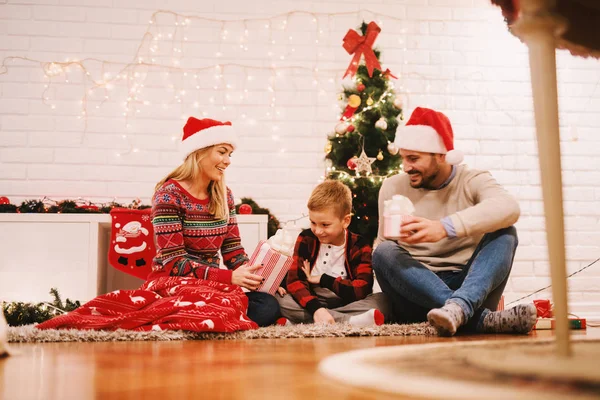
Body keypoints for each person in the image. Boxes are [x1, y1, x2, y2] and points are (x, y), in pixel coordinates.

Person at [372, 107, 537, 336]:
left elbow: (509, 207)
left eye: (413, 158)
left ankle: (459, 308)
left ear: (441, 155)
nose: (406, 167)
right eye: (403, 158)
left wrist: (444, 228)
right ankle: (480, 319)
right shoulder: (392, 186)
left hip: (470, 284)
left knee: (505, 233)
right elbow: (384, 246)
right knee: (383, 252)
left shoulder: (471, 180)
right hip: (417, 291)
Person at [147, 117, 281, 327]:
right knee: (222, 305)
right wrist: (229, 278)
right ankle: (211, 317)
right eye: (221, 151)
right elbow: (174, 263)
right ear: (199, 152)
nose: (227, 160)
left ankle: (207, 320)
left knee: (268, 304)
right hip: (174, 283)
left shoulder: (224, 196)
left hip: (214, 285)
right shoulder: (168, 195)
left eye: (229, 154)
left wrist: (261, 280)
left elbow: (233, 251)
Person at [278, 180, 390, 326]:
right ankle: (347, 320)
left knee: (383, 301)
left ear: (346, 221)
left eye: (325, 225)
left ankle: (308, 321)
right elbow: (295, 281)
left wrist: (323, 279)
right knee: (279, 300)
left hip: (346, 302)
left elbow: (361, 290)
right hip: (311, 302)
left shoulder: (359, 244)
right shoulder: (306, 238)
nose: (318, 231)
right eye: (313, 223)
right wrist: (317, 309)